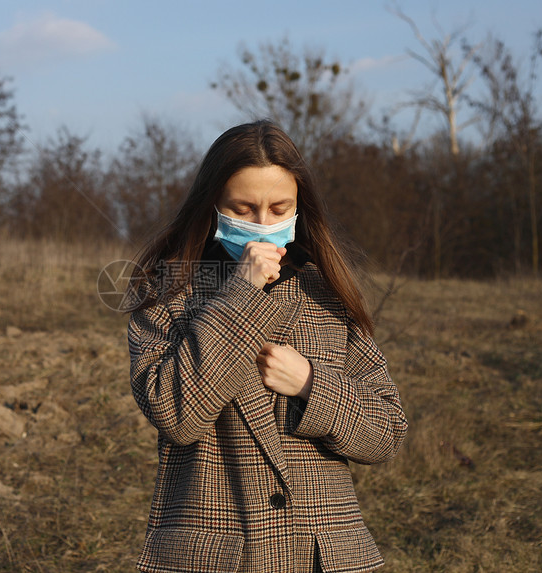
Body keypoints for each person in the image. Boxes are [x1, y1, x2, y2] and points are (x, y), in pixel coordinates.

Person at [127, 120, 408, 573]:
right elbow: (176, 415)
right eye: (244, 208)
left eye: (280, 209)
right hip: (214, 558)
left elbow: (387, 434)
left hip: (324, 556)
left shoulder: (329, 294)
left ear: (300, 209)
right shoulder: (168, 296)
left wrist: (312, 385)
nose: (263, 225)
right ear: (214, 206)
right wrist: (242, 293)